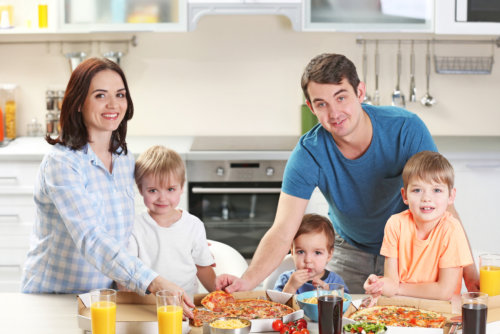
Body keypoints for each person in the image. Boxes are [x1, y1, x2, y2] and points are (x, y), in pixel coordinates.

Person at [216, 53, 479, 294]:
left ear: (360, 91)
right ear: (311, 107)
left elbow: (442, 206)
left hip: (411, 252)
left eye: (341, 97)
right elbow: (284, 229)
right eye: (322, 104)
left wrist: (470, 272)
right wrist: (247, 281)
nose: (334, 113)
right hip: (349, 250)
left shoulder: (405, 129)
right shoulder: (309, 153)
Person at [21, 58, 194, 315]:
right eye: (100, 95)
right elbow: (91, 237)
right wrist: (153, 281)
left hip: (103, 300)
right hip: (55, 299)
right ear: (79, 102)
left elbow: (124, 231)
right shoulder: (63, 163)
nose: (113, 104)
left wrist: (182, 238)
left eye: (120, 95)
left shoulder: (124, 159)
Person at [364, 151, 473, 300]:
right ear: (405, 196)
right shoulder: (395, 224)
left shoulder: (451, 230)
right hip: (403, 308)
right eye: (417, 190)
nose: (426, 198)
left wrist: (399, 288)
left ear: (451, 196)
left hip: (442, 311)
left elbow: (444, 292)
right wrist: (378, 284)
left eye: (436, 190)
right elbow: (391, 283)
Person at [129, 145, 216, 299]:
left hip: (186, 304)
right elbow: (129, 272)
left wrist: (218, 296)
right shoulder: (134, 226)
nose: (162, 198)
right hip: (147, 304)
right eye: (153, 190)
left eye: (170, 189)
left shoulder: (194, 225)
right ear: (140, 189)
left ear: (182, 187)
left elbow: (203, 268)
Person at [273, 214, 348, 294]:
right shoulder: (286, 279)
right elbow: (276, 304)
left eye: (317, 252)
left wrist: (328, 296)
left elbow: (346, 303)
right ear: (292, 252)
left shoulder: (336, 282)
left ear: (329, 255)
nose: (308, 260)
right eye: (301, 252)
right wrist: (290, 287)